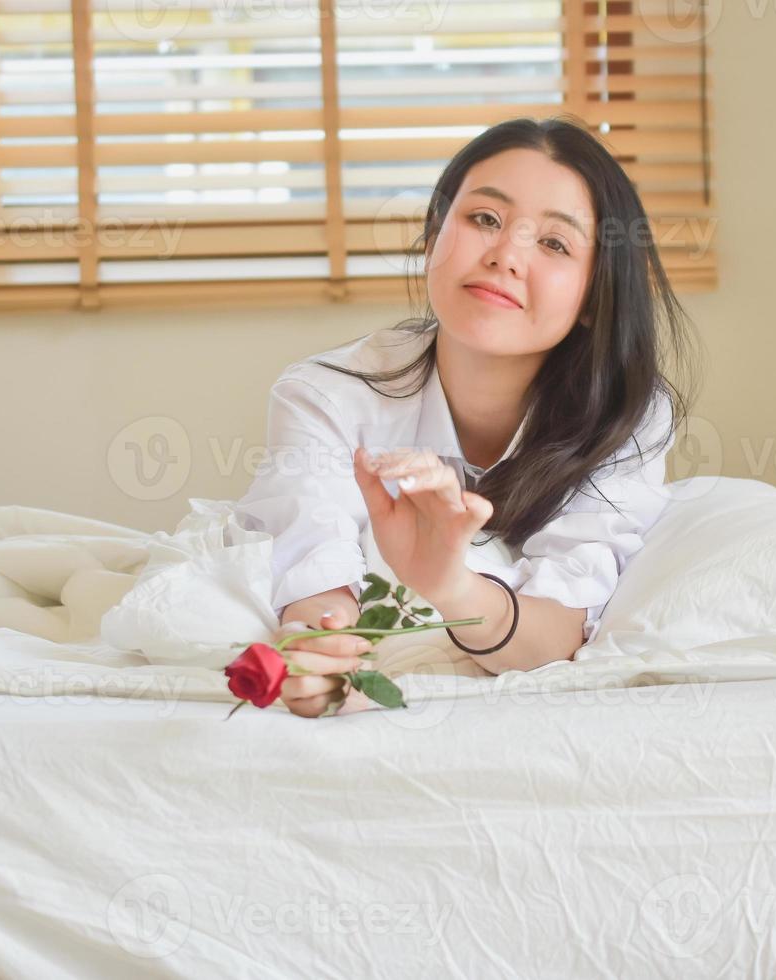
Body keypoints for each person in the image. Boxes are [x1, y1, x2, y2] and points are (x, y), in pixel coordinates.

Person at [231, 116, 702, 717]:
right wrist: (322, 654)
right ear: (433, 238)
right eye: (485, 219)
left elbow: (555, 636)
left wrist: (451, 586)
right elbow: (312, 566)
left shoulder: (626, 416)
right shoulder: (325, 395)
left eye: (555, 243)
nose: (505, 255)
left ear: (593, 298)